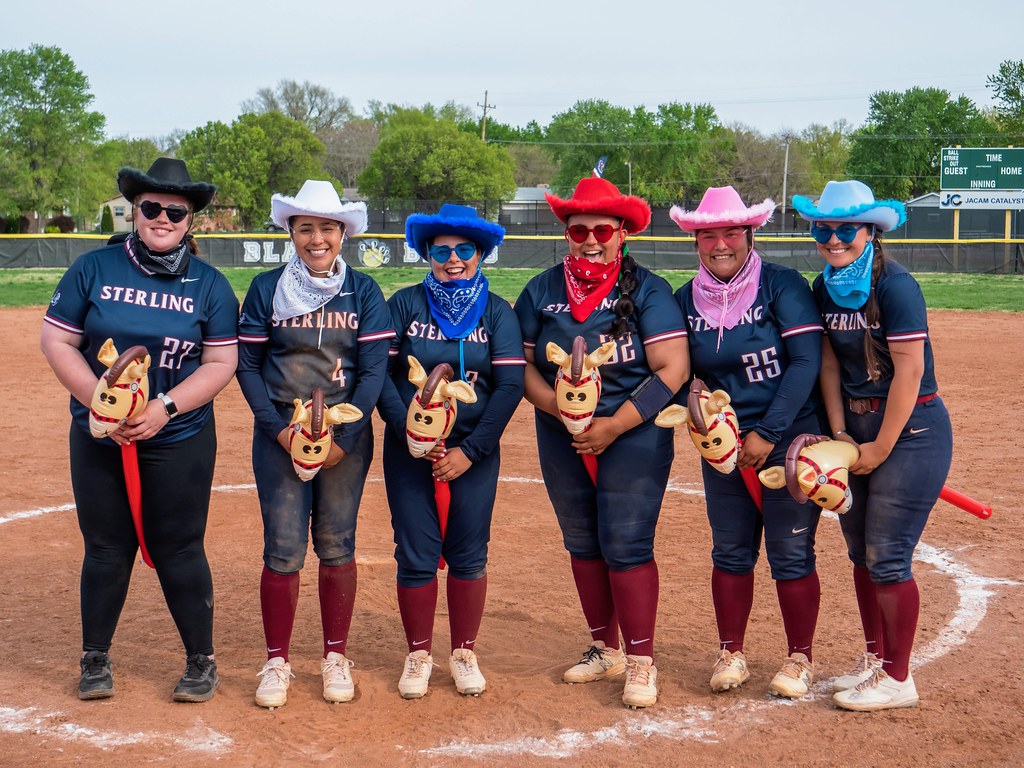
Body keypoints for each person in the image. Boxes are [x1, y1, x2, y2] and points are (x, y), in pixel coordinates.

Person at [41, 158, 238, 702]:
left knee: (179, 547)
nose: (161, 218)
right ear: (134, 210)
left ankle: (201, 661)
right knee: (106, 547)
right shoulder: (94, 267)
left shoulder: (210, 284)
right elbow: (57, 342)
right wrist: (99, 406)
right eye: (150, 208)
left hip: (178, 435)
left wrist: (165, 408)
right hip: (99, 434)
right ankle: (94, 659)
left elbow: (220, 363)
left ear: (190, 220)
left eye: (175, 212)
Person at [515, 177, 688, 709]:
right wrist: (559, 411)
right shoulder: (542, 290)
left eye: (602, 230)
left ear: (622, 233)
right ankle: (603, 646)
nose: (590, 240)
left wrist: (614, 424)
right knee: (582, 541)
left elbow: (673, 367)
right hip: (560, 432)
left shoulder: (650, 290)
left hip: (630, 431)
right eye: (578, 230)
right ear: (565, 232)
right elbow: (518, 364)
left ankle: (640, 659)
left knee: (628, 544)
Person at [793, 180, 952, 711]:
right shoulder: (826, 284)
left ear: (869, 231)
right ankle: (875, 661)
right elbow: (831, 363)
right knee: (860, 555)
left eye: (845, 229)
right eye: (823, 229)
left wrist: (880, 448)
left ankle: (899, 677)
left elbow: (909, 372)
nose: (833, 238)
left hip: (910, 433)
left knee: (887, 557)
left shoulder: (896, 286)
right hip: (856, 433)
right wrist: (840, 434)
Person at [236, 180, 395, 708]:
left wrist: (343, 442)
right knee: (283, 549)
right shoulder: (265, 288)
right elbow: (248, 365)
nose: (317, 237)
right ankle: (277, 661)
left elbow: (373, 372)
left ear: (343, 233)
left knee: (336, 543)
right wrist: (278, 430)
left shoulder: (365, 292)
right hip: (280, 432)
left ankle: (334, 656)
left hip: (343, 439)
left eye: (327, 227)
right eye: (305, 227)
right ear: (291, 232)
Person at [669, 185, 826, 699]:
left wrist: (768, 434)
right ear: (695, 239)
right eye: (707, 233)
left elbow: (805, 362)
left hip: (787, 441)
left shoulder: (783, 285)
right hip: (723, 447)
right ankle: (731, 651)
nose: (720, 244)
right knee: (731, 552)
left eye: (731, 232)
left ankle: (799, 657)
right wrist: (701, 415)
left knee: (791, 553)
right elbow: (676, 372)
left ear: (749, 233)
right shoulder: (681, 300)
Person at [376, 204, 525, 699]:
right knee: (416, 552)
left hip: (472, 451)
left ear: (481, 253)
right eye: (441, 251)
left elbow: (508, 387)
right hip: (409, 448)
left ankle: (464, 651)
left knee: (468, 553)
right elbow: (381, 377)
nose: (453, 260)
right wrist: (409, 433)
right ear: (427, 254)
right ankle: (418, 652)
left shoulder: (498, 311)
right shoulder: (404, 303)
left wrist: (473, 451)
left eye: (464, 250)